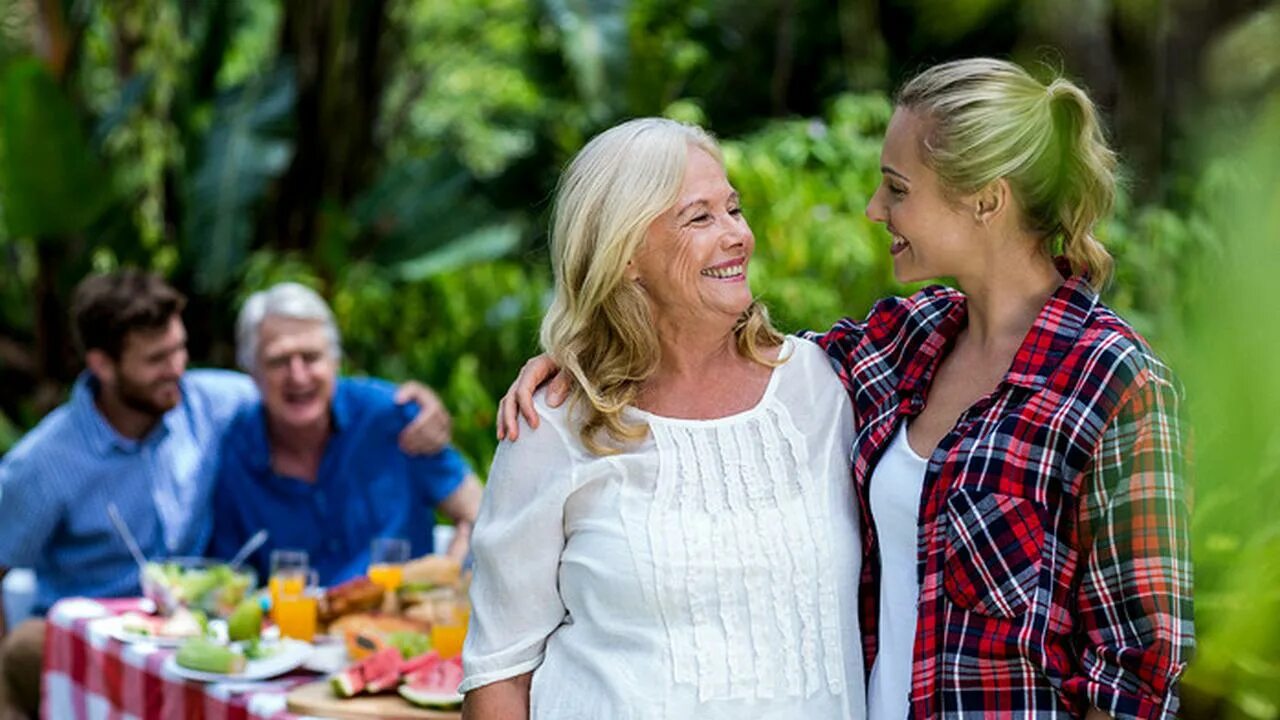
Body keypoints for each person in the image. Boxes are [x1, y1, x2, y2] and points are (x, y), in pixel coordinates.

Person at [499, 59, 1193, 719]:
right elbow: (717, 363)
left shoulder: (1115, 382)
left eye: (897, 188)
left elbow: (1138, 672)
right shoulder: (903, 346)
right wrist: (578, 356)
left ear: (986, 200)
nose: (873, 209)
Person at [461, 118, 866, 720]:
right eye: (699, 217)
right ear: (624, 255)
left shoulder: (823, 386)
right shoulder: (555, 423)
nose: (737, 236)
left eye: (733, 209)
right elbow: (499, 671)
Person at [0, 270, 450, 719]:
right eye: (156, 359)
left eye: (180, 350)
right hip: (91, 640)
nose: (176, 369)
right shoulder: (43, 463)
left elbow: (310, 389)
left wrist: (416, 406)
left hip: (196, 639)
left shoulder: (207, 400)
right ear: (102, 365)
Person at [208, 282, 482, 587]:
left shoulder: (392, 416)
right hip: (293, 632)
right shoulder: (235, 454)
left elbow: (479, 514)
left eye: (311, 357)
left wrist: (444, 585)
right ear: (252, 372)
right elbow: (229, 579)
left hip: (402, 628)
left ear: (335, 361)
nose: (298, 376)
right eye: (278, 361)